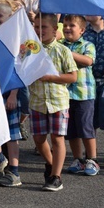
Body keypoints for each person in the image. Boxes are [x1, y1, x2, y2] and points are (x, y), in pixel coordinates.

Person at [30, 13, 78, 191]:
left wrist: (51, 77)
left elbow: (72, 76)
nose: (39, 30)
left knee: (57, 139)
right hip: (37, 101)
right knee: (38, 139)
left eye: (43, 27)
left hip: (58, 101)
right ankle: (51, 165)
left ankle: (56, 177)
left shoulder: (62, 50)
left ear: (54, 30)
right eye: (36, 27)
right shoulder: (30, 50)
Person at [0, 0, 25, 187]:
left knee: (12, 133)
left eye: (0, 16)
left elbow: (18, 69)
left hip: (9, 92)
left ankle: (14, 170)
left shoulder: (14, 39)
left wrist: (13, 95)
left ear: (10, 17)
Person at [61, 14, 99, 176]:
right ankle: (78, 159)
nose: (67, 28)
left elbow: (88, 61)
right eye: (65, 25)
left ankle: (92, 159)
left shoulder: (87, 45)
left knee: (85, 128)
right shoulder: (60, 45)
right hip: (64, 94)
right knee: (71, 131)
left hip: (84, 94)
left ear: (82, 30)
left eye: (72, 26)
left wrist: (66, 52)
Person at [83, 14, 104, 131]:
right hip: (87, 81)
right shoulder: (83, 33)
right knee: (90, 119)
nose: (88, 12)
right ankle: (91, 148)